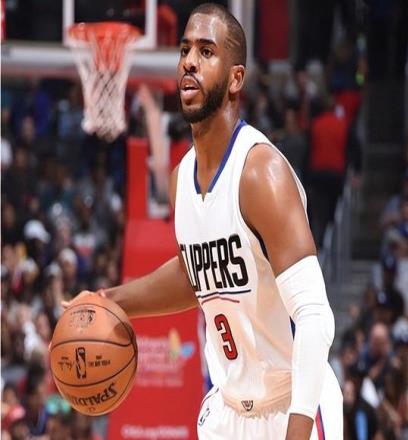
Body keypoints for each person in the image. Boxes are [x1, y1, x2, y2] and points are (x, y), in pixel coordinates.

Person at [62, 3, 342, 440]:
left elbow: (315, 317)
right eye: (185, 50)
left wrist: (298, 430)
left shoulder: (260, 173)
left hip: (293, 406)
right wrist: (108, 300)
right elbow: (196, 274)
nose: (190, 61)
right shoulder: (182, 179)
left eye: (206, 52)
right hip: (228, 410)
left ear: (236, 79)